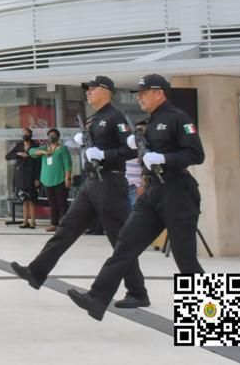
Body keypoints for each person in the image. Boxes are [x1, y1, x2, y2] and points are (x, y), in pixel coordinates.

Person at [68, 74, 205, 321]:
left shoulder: (178, 118)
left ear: (159, 93)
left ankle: (214, 321)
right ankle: (96, 298)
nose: (139, 98)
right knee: (125, 245)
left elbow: (196, 154)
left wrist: (164, 159)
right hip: (153, 191)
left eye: (143, 93)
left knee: (185, 258)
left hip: (178, 192)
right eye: (138, 94)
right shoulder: (149, 122)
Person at [12, 75, 150, 310]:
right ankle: (36, 272)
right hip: (92, 183)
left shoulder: (115, 117)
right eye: (87, 89)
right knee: (67, 229)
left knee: (120, 241)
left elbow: (130, 150)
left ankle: (137, 292)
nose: (88, 92)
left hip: (110, 183)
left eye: (93, 89)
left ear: (106, 92)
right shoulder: (94, 118)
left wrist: (104, 155)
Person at [28, 129, 70, 232]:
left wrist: (67, 179)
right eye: (49, 135)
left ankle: (64, 225)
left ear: (58, 137)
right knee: (52, 203)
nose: (51, 137)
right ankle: (53, 224)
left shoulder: (62, 149)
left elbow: (67, 165)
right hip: (47, 180)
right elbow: (31, 152)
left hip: (59, 179)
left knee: (61, 203)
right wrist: (43, 152)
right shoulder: (45, 148)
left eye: (54, 135)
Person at [6, 129, 41, 228]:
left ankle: (33, 221)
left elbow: (38, 164)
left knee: (31, 200)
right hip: (20, 176)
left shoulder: (35, 146)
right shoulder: (19, 145)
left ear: (31, 135)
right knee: (24, 200)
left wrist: (37, 178)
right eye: (23, 134)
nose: (25, 135)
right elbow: (7, 156)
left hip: (31, 176)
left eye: (27, 134)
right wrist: (18, 154)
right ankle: (25, 221)